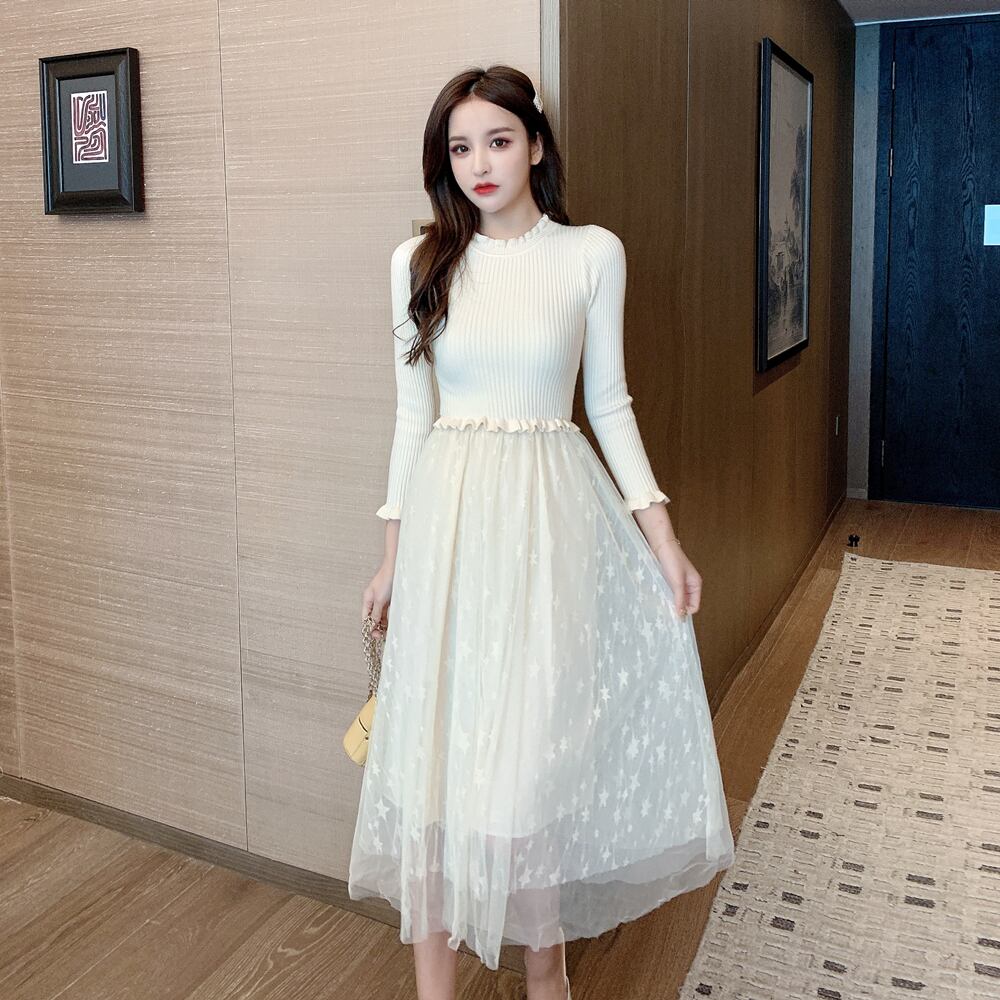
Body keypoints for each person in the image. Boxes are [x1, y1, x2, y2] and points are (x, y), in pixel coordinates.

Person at [349, 64, 735, 1000]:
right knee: (433, 775)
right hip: (446, 534)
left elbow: (610, 403)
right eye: (460, 147)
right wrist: (393, 559)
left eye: (498, 140)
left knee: (526, 778)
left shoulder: (591, 254)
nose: (479, 164)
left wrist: (663, 540)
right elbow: (412, 419)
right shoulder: (417, 264)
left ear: (536, 145)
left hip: (548, 531)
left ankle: (547, 979)